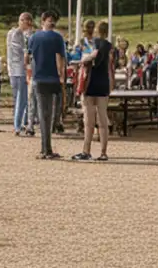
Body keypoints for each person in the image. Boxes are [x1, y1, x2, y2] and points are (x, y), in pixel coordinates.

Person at [29, 11, 67, 159]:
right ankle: (47, 148)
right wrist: (62, 75)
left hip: (39, 78)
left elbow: (29, 57)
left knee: (43, 113)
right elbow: (61, 58)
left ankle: (45, 148)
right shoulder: (58, 37)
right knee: (50, 114)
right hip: (52, 79)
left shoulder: (33, 37)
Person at [75, 19, 114, 160]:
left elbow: (93, 58)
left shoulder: (95, 44)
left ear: (97, 31)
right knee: (103, 120)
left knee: (89, 120)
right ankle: (103, 152)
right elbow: (110, 68)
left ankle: (86, 150)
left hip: (90, 83)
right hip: (103, 84)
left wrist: (83, 60)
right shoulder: (110, 47)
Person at [7, 11, 34, 135]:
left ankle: (21, 123)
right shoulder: (16, 34)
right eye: (27, 22)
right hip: (19, 70)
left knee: (20, 98)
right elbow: (22, 51)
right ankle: (17, 126)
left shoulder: (15, 33)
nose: (29, 25)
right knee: (21, 99)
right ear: (22, 21)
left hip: (15, 70)